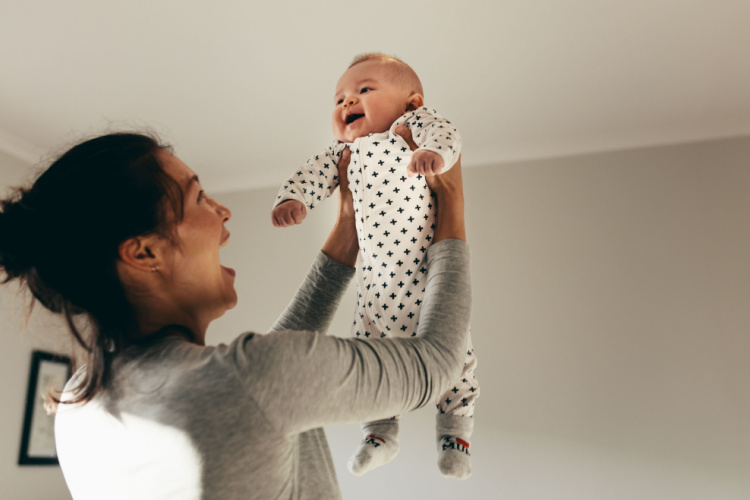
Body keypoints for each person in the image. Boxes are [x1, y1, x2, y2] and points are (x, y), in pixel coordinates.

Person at [0, 129, 471, 499]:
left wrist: (349, 225)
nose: (223, 211)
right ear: (144, 253)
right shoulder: (252, 382)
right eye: (199, 197)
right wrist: (451, 202)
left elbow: (257, 392)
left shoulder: (79, 402)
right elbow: (441, 360)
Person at [271, 53, 479, 479]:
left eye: (364, 90)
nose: (348, 102)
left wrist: (434, 154)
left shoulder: (412, 129)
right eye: (340, 98)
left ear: (411, 102)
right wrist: (294, 200)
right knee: (367, 351)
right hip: (375, 291)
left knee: (458, 362)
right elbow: (311, 174)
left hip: (427, 279)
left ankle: (454, 438)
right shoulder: (343, 153)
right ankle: (380, 433)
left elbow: (446, 133)